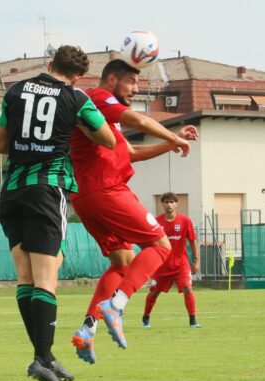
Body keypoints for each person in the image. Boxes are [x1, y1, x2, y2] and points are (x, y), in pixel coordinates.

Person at [0, 45, 115, 381]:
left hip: (12, 190)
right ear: (77, 76)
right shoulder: (75, 97)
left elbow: (1, 144)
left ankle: (44, 358)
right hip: (48, 190)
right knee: (48, 278)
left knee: (26, 277)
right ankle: (41, 359)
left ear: (48, 65)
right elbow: (106, 138)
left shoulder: (14, 91)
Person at [69, 59, 199, 364]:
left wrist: (169, 145)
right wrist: (173, 136)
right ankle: (118, 305)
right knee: (160, 245)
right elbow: (138, 121)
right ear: (112, 79)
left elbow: (130, 152)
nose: (136, 89)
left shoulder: (104, 117)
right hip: (107, 190)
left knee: (123, 263)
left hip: (86, 196)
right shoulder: (100, 99)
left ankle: (88, 329)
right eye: (131, 82)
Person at [142, 192, 201, 328]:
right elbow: (150, 242)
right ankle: (146, 318)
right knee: (154, 293)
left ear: (176, 204)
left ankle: (193, 321)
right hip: (162, 264)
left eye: (171, 202)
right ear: (162, 204)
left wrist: (196, 261)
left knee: (187, 288)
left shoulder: (185, 221)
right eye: (166, 202)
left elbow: (192, 241)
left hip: (181, 264)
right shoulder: (156, 222)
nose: (169, 204)